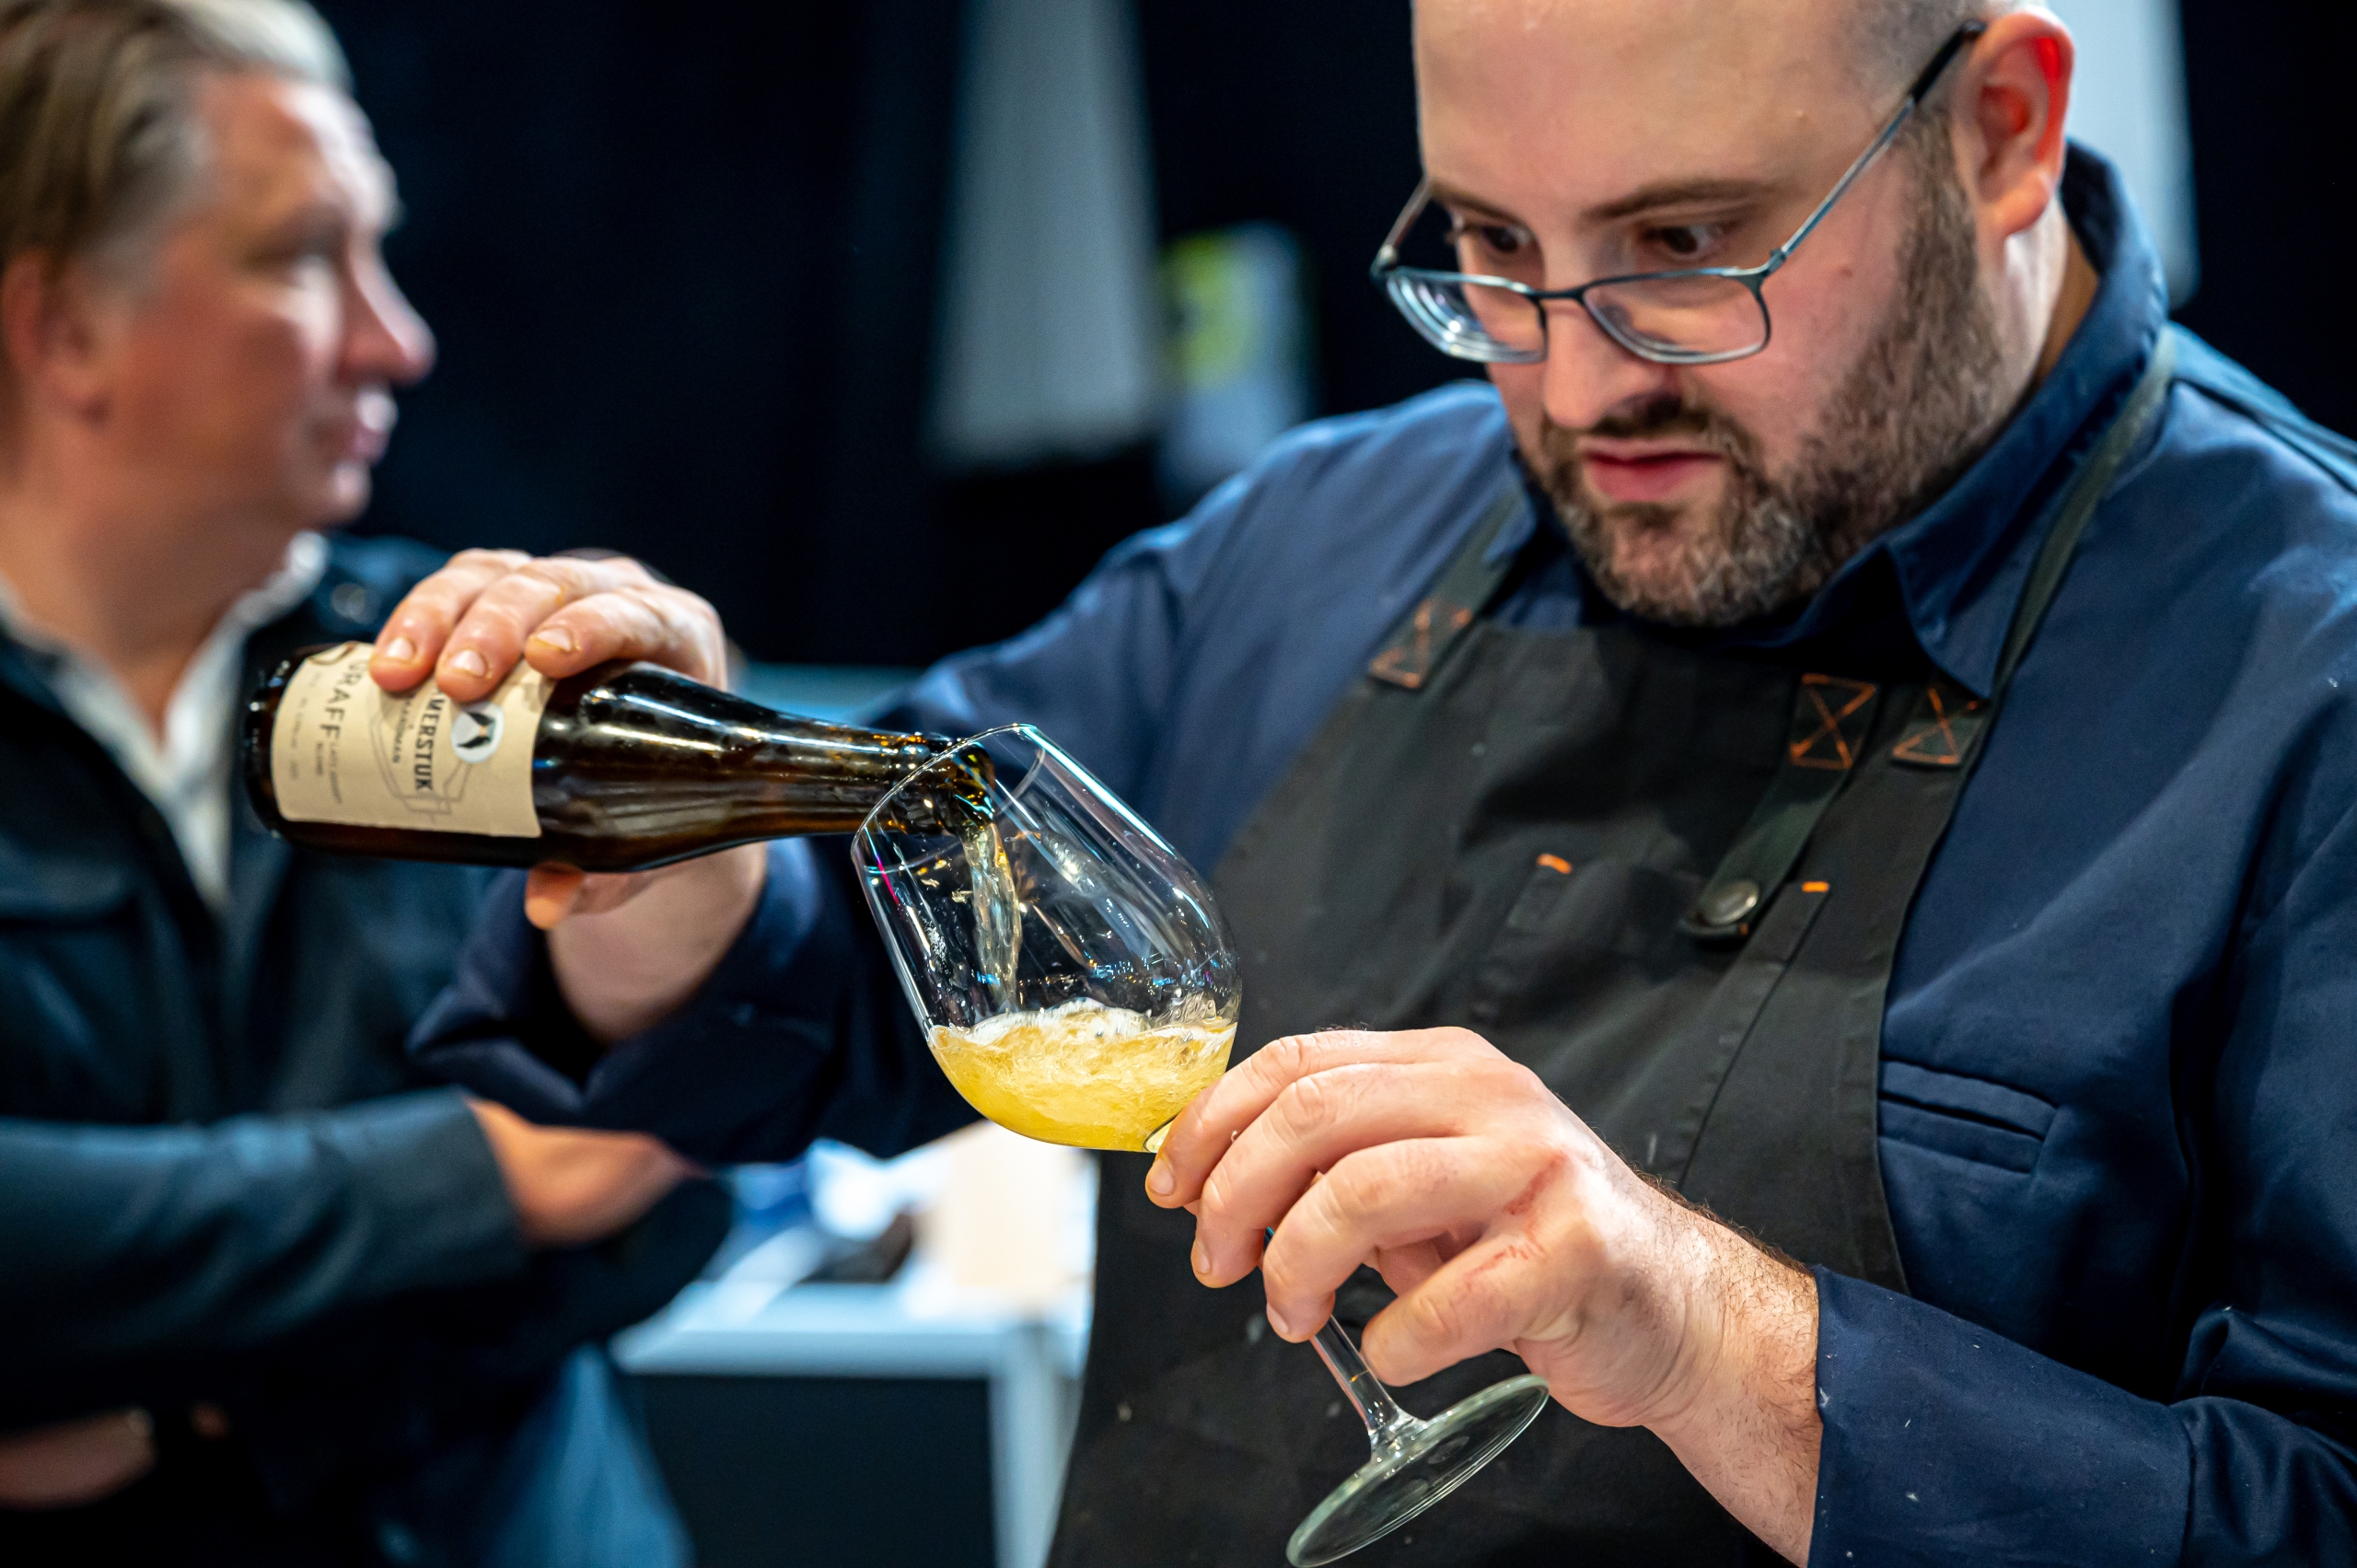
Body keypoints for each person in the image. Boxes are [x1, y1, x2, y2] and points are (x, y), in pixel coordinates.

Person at [401, 0, 2357, 1561]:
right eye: (1491, 254)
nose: (1576, 390)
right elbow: (827, 979)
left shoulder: (2302, 683)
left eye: (1685, 251)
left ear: (1999, 127)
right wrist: (683, 876)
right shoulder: (1323, 539)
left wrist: (1707, 1335)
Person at [0, 2, 724, 1562]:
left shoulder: (474, 664)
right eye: (301, 256)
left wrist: (178, 1407)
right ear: (63, 330)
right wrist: (473, 1179)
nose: (395, 338)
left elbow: (669, 1171)